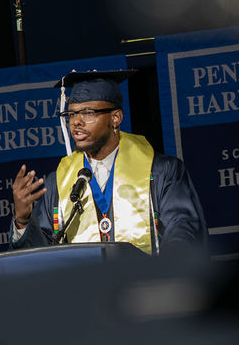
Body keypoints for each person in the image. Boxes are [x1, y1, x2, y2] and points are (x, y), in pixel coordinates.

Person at [11, 69, 207, 254]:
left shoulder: (162, 172)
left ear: (115, 118)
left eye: (88, 113)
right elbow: (39, 258)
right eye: (71, 114)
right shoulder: (58, 183)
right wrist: (22, 220)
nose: (76, 122)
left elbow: (183, 232)